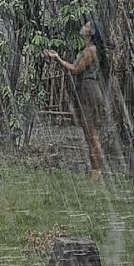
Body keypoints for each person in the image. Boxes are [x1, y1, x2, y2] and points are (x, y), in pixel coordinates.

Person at [44, 20, 107, 182]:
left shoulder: (90, 51)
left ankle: (97, 171)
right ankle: (95, 171)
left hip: (89, 91)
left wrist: (57, 58)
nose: (82, 26)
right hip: (87, 90)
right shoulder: (88, 49)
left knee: (92, 134)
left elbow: (75, 70)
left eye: (86, 25)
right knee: (89, 133)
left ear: (91, 32)